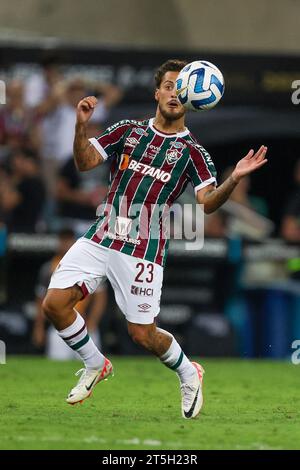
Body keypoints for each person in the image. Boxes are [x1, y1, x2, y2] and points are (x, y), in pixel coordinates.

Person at [42, 59, 268, 418]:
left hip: (144, 248)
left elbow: (207, 204)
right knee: (54, 304)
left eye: (182, 87)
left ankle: (187, 371)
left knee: (142, 335)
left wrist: (234, 178)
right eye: (168, 85)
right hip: (101, 235)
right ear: (157, 92)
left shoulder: (194, 152)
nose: (174, 92)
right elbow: (85, 163)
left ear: (192, 98)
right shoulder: (128, 130)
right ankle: (95, 363)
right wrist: (80, 127)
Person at [33, 228, 107, 359]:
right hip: (59, 326)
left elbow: (100, 297)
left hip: (86, 324)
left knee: (93, 365)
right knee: (57, 367)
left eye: (68, 240)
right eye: (62, 240)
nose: (65, 244)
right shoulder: (48, 268)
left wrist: (92, 322)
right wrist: (39, 327)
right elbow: (40, 300)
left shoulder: (89, 265)